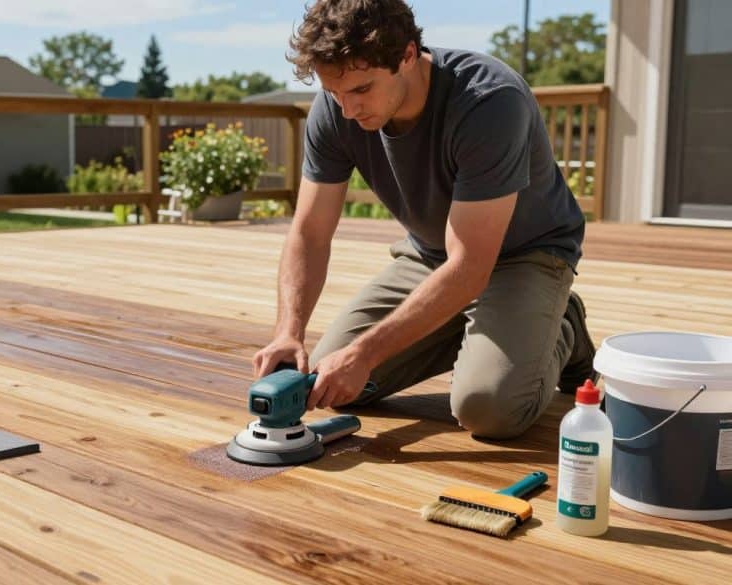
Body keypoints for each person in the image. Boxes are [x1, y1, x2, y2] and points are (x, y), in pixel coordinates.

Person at [252, 0, 596, 440]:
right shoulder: (336, 110)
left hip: (525, 256)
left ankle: (562, 324)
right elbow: (309, 232)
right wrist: (288, 332)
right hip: (432, 257)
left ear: (408, 55)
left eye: (361, 90)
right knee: (332, 386)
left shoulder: (488, 102)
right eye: (334, 94)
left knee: (488, 408)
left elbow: (470, 264)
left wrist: (366, 351)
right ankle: (484, 331)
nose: (347, 110)